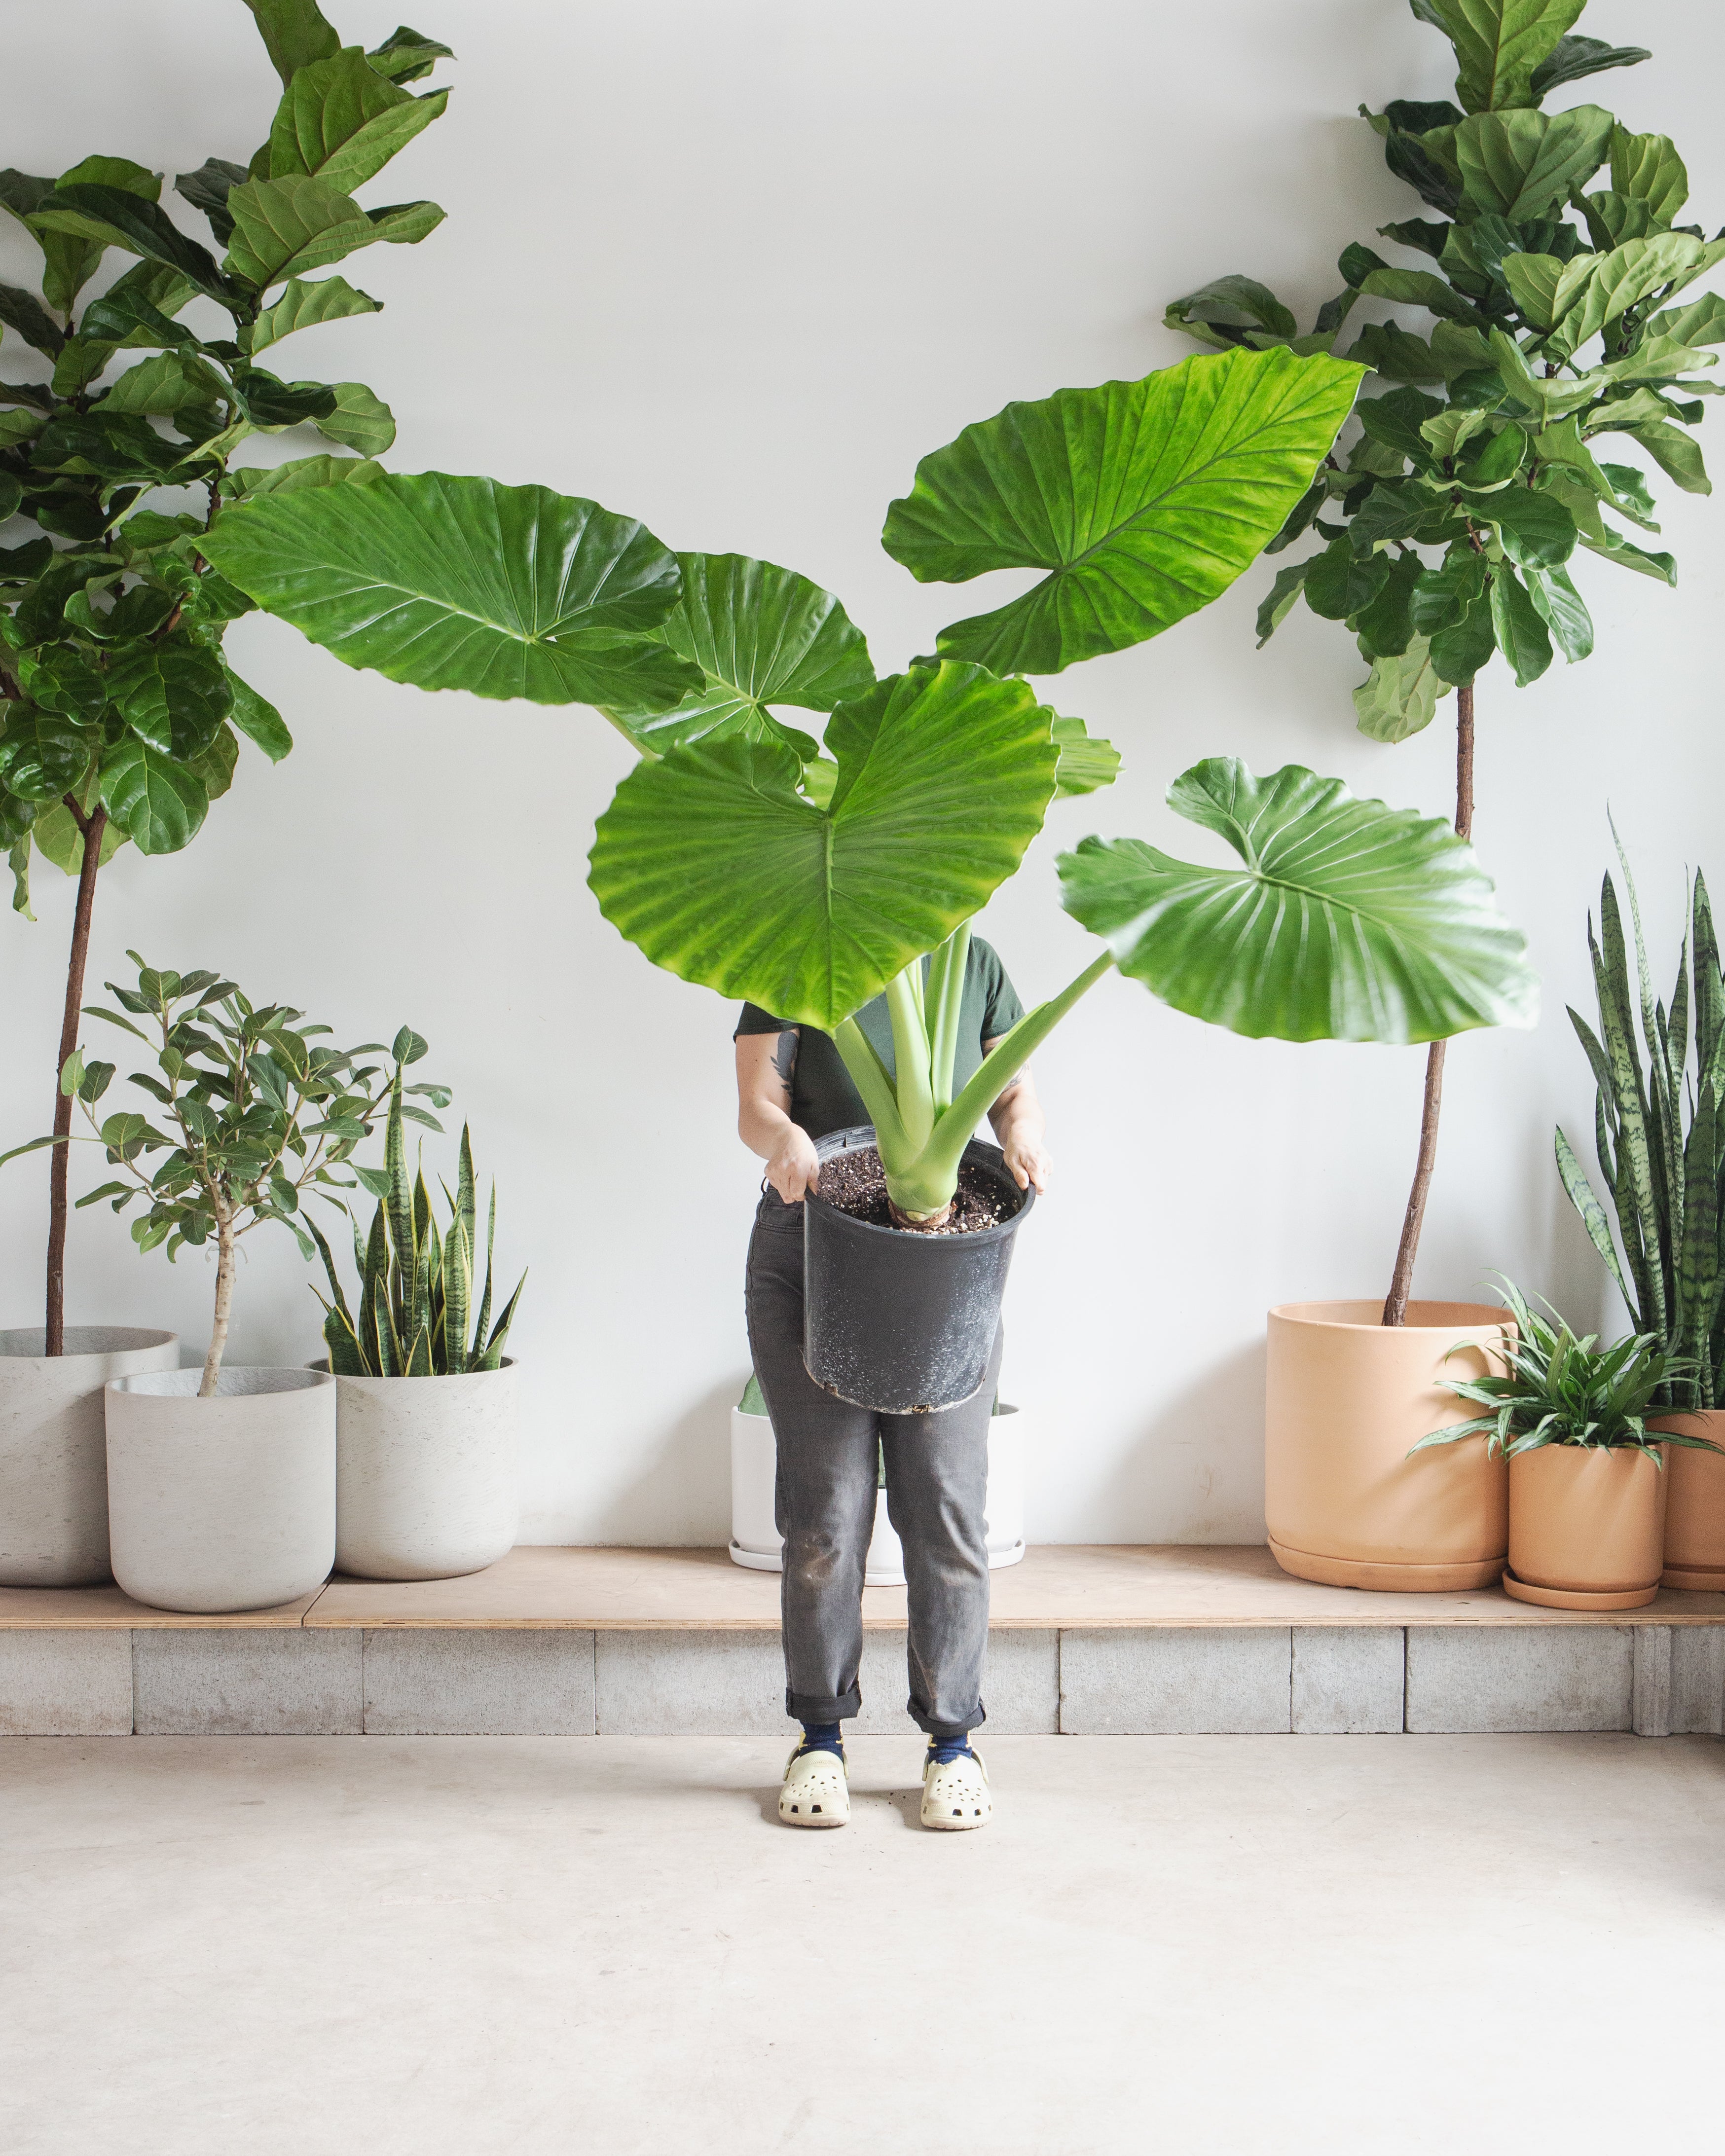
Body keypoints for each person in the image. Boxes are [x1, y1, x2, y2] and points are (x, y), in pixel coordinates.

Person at [734, 936, 1050, 1831]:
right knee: (822, 1518)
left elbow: (1011, 1087)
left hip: (943, 1244)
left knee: (946, 1507)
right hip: (812, 1235)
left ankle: (952, 1745)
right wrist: (786, 1139)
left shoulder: (972, 961)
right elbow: (757, 1104)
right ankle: (819, 1738)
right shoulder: (797, 959)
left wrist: (1022, 1132)